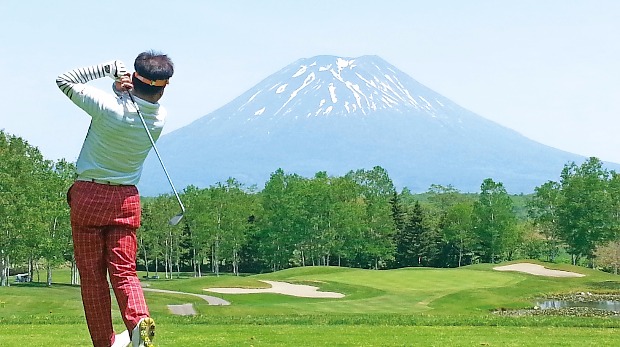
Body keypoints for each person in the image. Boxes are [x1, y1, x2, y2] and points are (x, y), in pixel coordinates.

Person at [56, 51, 174, 347]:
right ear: (163, 87)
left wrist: (108, 70)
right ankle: (137, 321)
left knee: (93, 277)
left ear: (134, 79)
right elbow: (133, 106)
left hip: (89, 197)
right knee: (124, 271)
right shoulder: (159, 118)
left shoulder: (107, 107)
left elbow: (63, 80)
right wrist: (120, 87)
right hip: (126, 199)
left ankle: (105, 342)